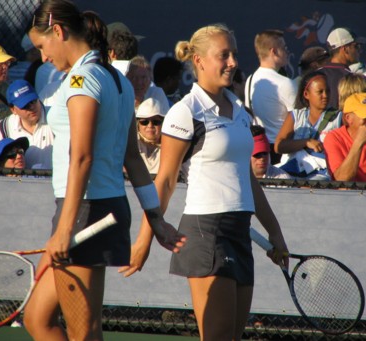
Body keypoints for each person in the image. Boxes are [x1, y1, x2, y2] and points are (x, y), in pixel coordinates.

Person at [24, 2, 185, 341]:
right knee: (38, 319)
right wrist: (156, 220)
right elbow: (133, 158)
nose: (43, 57)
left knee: (85, 333)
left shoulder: (83, 79)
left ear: (58, 32)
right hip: (94, 208)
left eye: (41, 47)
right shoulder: (118, 81)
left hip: (83, 211)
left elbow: (82, 157)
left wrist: (65, 226)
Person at [119, 24, 288, 341]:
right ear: (198, 60)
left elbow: (248, 178)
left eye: (234, 55)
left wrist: (275, 232)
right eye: (223, 55)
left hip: (239, 231)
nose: (233, 62)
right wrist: (145, 239)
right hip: (205, 232)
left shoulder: (238, 110)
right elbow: (166, 180)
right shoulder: (185, 112)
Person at [275, 70, 342, 179]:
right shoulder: (295, 116)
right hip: (295, 169)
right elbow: (278, 146)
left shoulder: (338, 117)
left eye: (327, 91)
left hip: (323, 172)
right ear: (306, 94)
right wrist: (306, 142)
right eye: (320, 92)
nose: (325, 95)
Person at [244, 29, 297, 164]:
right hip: (282, 153)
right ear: (273, 51)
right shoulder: (285, 83)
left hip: (259, 150)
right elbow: (300, 120)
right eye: (284, 48)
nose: (287, 52)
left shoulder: (250, 80)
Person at [0, 79, 54, 169]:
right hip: (21, 182)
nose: (32, 107)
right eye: (25, 105)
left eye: (33, 101)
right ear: (13, 109)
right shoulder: (5, 127)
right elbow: (1, 162)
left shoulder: (56, 116)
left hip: (54, 181)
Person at [324, 92, 366, 182]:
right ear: (348, 118)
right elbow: (341, 179)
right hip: (348, 195)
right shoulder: (334, 138)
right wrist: (359, 142)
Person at [320, 27, 366, 110]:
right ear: (345, 49)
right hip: (343, 121)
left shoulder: (313, 75)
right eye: (356, 46)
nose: (360, 50)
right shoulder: (351, 79)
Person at [135, 97, 168, 175]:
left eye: (156, 122)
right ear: (138, 124)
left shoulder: (171, 146)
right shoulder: (129, 144)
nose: (150, 126)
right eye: (144, 122)